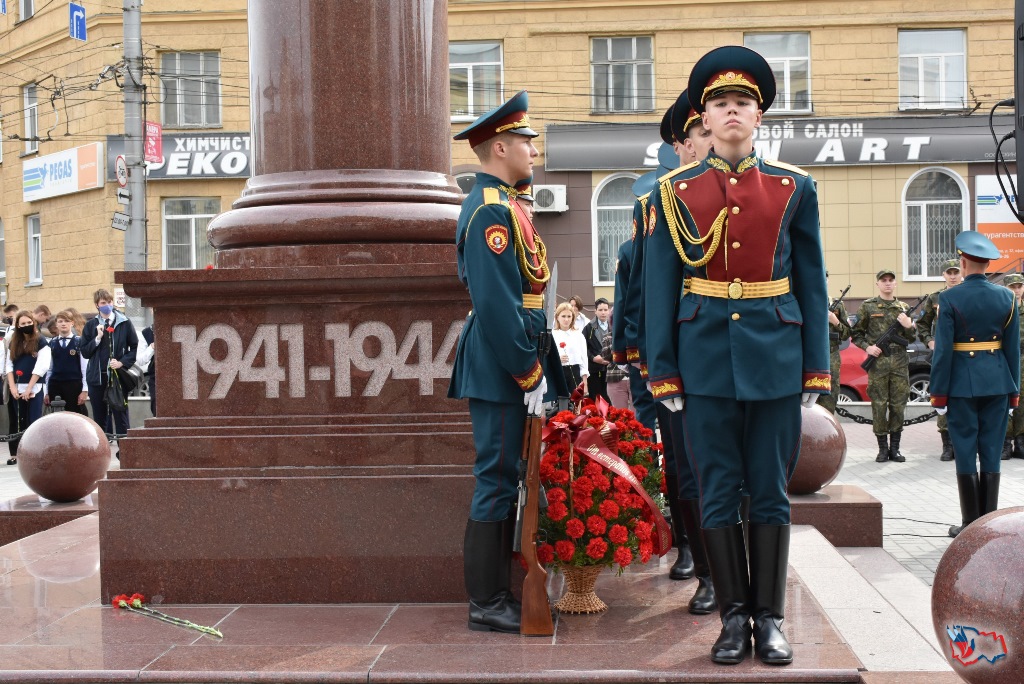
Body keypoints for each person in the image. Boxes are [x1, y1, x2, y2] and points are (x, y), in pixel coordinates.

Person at [643, 46, 829, 666]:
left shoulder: (793, 188)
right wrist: (662, 369)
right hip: (703, 364)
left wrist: (815, 364)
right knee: (718, 490)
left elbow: (812, 280)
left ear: (758, 117)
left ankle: (770, 618)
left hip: (775, 353)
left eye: (742, 104)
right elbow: (661, 289)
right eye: (721, 104)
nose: (732, 112)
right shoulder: (673, 193)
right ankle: (732, 618)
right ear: (705, 116)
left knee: (771, 492)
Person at [448, 90, 567, 634]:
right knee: (496, 475)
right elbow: (497, 305)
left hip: (514, 356)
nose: (532, 151)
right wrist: (528, 371)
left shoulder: (508, 204)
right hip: (503, 363)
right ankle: (486, 599)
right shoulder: (492, 212)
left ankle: (498, 590)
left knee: (507, 474)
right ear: (500, 147)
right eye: (524, 141)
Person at [929, 232, 1019, 538]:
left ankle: (970, 524)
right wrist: (1014, 392)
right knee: (992, 449)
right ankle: (989, 523)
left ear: (963, 262)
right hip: (997, 381)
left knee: (965, 449)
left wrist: (938, 394)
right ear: (987, 263)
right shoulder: (1007, 297)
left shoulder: (949, 298)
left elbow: (942, 352)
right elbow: (1012, 349)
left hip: (960, 384)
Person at [852, 270, 918, 463]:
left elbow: (912, 339)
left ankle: (895, 449)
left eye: (891, 280)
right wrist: (868, 347)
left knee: (898, 406)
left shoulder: (903, 307)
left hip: (899, 363)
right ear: (878, 284)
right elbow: (856, 334)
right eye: (884, 281)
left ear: (895, 284)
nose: (888, 284)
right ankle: (882, 449)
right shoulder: (868, 306)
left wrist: (908, 325)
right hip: (878, 363)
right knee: (879, 405)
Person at [916, 258, 963, 460]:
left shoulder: (967, 294)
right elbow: (922, 324)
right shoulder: (935, 298)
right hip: (943, 355)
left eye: (955, 272)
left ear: (961, 273)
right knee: (942, 394)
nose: (952, 276)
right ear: (943, 275)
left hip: (964, 354)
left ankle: (964, 445)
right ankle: (947, 445)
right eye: (948, 273)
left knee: (964, 398)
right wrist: (929, 341)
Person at [80, 289, 138, 436]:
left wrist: (122, 363)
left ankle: (123, 450)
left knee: (120, 414)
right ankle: (102, 449)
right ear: (97, 305)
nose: (107, 305)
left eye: (109, 302)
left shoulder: (124, 322)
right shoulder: (91, 325)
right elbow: (85, 352)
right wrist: (97, 338)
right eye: (103, 303)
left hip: (117, 377)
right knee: (99, 417)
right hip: (97, 377)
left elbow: (134, 346)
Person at [6, 310, 51, 464]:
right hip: (17, 386)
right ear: (18, 326)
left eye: (29, 323)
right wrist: (12, 387)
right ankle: (17, 453)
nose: (26, 326)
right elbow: (9, 365)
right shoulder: (14, 342)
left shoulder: (41, 341)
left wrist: (29, 388)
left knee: (34, 420)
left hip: (35, 386)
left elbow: (41, 367)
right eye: (23, 324)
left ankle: (34, 454)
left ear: (33, 322)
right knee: (18, 420)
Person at [43, 310, 88, 416]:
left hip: (74, 385)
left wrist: (85, 390)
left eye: (66, 321)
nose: (63, 324)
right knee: (56, 417)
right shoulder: (52, 343)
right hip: (55, 385)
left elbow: (84, 368)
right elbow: (49, 369)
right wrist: (46, 392)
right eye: (60, 321)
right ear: (56, 324)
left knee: (75, 416)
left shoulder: (79, 342)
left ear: (72, 323)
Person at [819, 272, 851, 414]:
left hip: (831, 356)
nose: (823, 281)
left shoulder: (837, 305)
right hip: (810, 354)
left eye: (825, 278)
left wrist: (835, 322)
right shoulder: (806, 302)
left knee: (830, 396)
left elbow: (847, 334)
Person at [551, 301, 588, 395]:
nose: (566, 319)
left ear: (573, 318)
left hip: (575, 372)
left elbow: (584, 359)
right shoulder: (552, 335)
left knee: (575, 402)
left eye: (569, 316)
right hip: (558, 371)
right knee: (559, 402)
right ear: (557, 317)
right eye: (563, 316)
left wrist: (585, 382)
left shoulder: (578, 335)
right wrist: (557, 359)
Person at [582, 298, 612, 403]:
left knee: (609, 397)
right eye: (600, 310)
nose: (603, 313)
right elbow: (583, 348)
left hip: (611, 369)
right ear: (595, 311)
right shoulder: (588, 328)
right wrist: (593, 358)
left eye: (605, 310)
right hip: (594, 369)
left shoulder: (613, 326)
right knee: (595, 397)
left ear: (609, 311)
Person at [140, 323, 157, 417]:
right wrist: (151, 348)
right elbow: (141, 360)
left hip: (177, 377)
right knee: (156, 408)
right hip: (156, 377)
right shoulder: (147, 332)